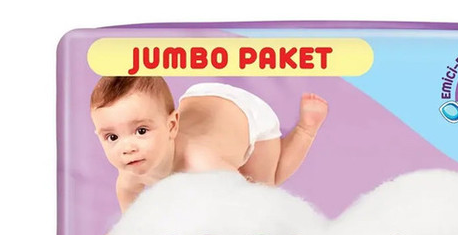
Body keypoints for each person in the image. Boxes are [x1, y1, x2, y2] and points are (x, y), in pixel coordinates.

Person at [90, 76, 328, 212]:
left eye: (141, 131)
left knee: (264, 188)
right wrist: (130, 232)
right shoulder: (131, 170)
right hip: (200, 97)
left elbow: (247, 206)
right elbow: (128, 194)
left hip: (246, 114)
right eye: (112, 137)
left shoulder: (203, 165)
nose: (127, 148)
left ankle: (306, 129)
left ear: (172, 125)